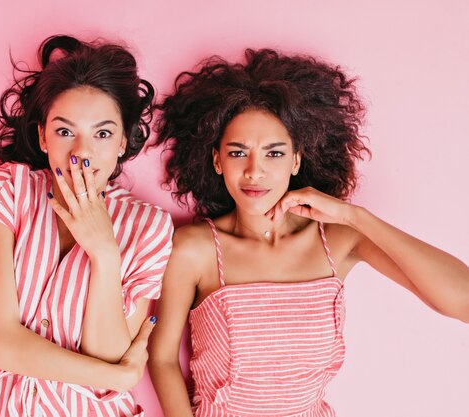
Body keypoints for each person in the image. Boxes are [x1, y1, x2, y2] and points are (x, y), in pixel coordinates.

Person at [147, 48, 469, 417]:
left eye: (274, 153)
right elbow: (162, 359)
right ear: (217, 160)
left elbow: (463, 302)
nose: (255, 171)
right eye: (238, 153)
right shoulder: (196, 249)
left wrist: (355, 217)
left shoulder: (339, 241)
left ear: (296, 159)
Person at [0, 35, 173, 417]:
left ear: (123, 141)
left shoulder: (148, 227)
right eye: (65, 131)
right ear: (42, 136)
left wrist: (104, 254)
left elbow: (109, 354)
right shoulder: (5, 192)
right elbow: (1, 345)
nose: (81, 152)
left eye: (102, 134)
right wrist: (120, 378)